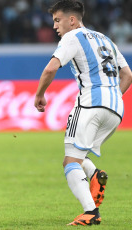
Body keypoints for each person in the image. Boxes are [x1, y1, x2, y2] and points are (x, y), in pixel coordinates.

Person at [34, 0, 132, 226]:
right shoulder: (105, 39)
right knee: (79, 155)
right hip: (116, 109)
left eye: (58, 20)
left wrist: (39, 95)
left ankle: (90, 212)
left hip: (90, 105)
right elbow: (127, 74)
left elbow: (50, 68)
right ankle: (95, 174)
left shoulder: (72, 37)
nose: (55, 27)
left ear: (72, 20)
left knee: (70, 162)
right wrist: (114, 96)